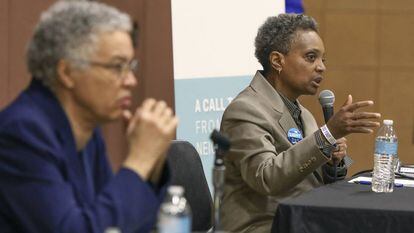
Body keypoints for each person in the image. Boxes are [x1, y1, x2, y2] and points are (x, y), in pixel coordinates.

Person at [0, 1, 178, 233]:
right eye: (117, 67)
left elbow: (115, 222)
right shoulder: (22, 133)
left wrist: (152, 164)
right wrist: (139, 160)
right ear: (67, 72)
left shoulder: (86, 128)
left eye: (130, 66)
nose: (131, 81)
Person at [219, 14, 381, 233]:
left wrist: (334, 162)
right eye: (311, 57)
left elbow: (313, 177)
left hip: (303, 219)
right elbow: (267, 179)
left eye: (323, 60)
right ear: (277, 61)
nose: (321, 67)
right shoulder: (246, 110)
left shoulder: (303, 114)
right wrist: (328, 134)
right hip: (263, 225)